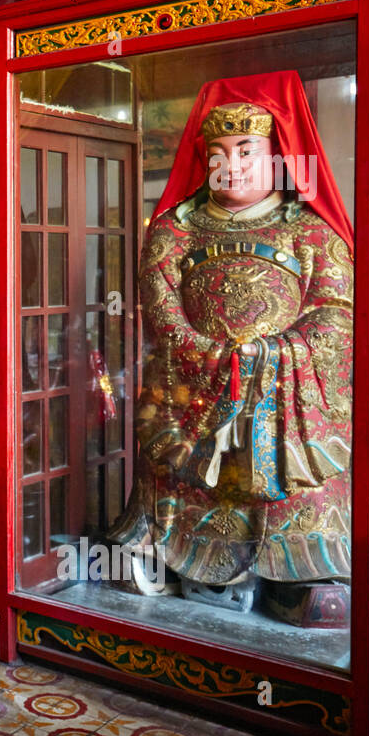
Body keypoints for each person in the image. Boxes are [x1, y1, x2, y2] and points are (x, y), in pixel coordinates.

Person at [110, 71, 354, 605]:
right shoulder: (177, 228)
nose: (232, 164)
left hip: (280, 399)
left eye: (247, 150)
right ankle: (163, 553)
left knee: (289, 479)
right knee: (173, 466)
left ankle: (298, 571)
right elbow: (159, 305)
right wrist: (205, 355)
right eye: (218, 152)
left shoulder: (309, 231)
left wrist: (274, 355)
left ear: (278, 154)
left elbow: (336, 313)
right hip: (192, 388)